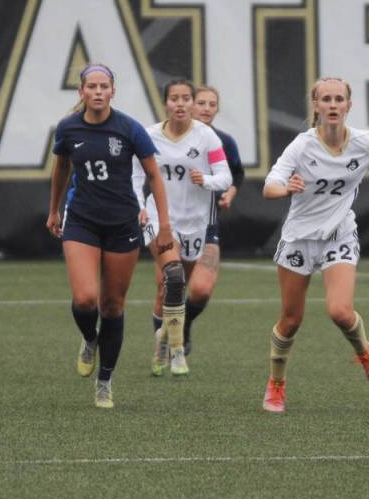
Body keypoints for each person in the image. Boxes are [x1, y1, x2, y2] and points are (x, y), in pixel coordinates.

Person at [261, 76, 369, 414]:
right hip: (299, 239)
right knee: (290, 320)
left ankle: (365, 352)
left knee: (340, 311)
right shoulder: (302, 146)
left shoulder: (364, 142)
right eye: (326, 99)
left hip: (340, 235)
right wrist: (287, 188)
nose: (332, 105)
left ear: (348, 106)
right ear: (315, 106)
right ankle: (276, 383)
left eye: (338, 99)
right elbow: (269, 187)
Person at [46, 63, 175, 409]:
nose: (99, 92)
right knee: (86, 299)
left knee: (112, 305)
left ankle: (105, 381)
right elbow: (60, 169)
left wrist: (164, 224)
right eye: (92, 86)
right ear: (82, 92)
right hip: (82, 222)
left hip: (122, 224)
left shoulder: (130, 129)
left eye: (105, 86)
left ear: (113, 92)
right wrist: (54, 210)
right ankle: (90, 339)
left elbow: (154, 176)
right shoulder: (68, 129)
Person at [132, 79, 232, 376]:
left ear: (192, 102)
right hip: (160, 219)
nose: (180, 103)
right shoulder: (148, 136)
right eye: (174, 98)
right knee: (171, 279)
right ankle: (172, 350)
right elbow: (135, 176)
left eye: (186, 98)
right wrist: (138, 204)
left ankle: (168, 333)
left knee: (182, 288)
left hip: (196, 222)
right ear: (166, 103)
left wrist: (208, 180)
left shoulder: (207, 137)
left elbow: (225, 176)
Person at [173, 85, 245, 358]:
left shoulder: (223, 141)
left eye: (211, 104)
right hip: (172, 220)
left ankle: (185, 325)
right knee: (169, 286)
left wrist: (229, 193)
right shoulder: (170, 136)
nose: (205, 108)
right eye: (200, 102)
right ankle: (164, 341)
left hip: (206, 222)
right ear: (190, 105)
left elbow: (236, 174)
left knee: (201, 290)